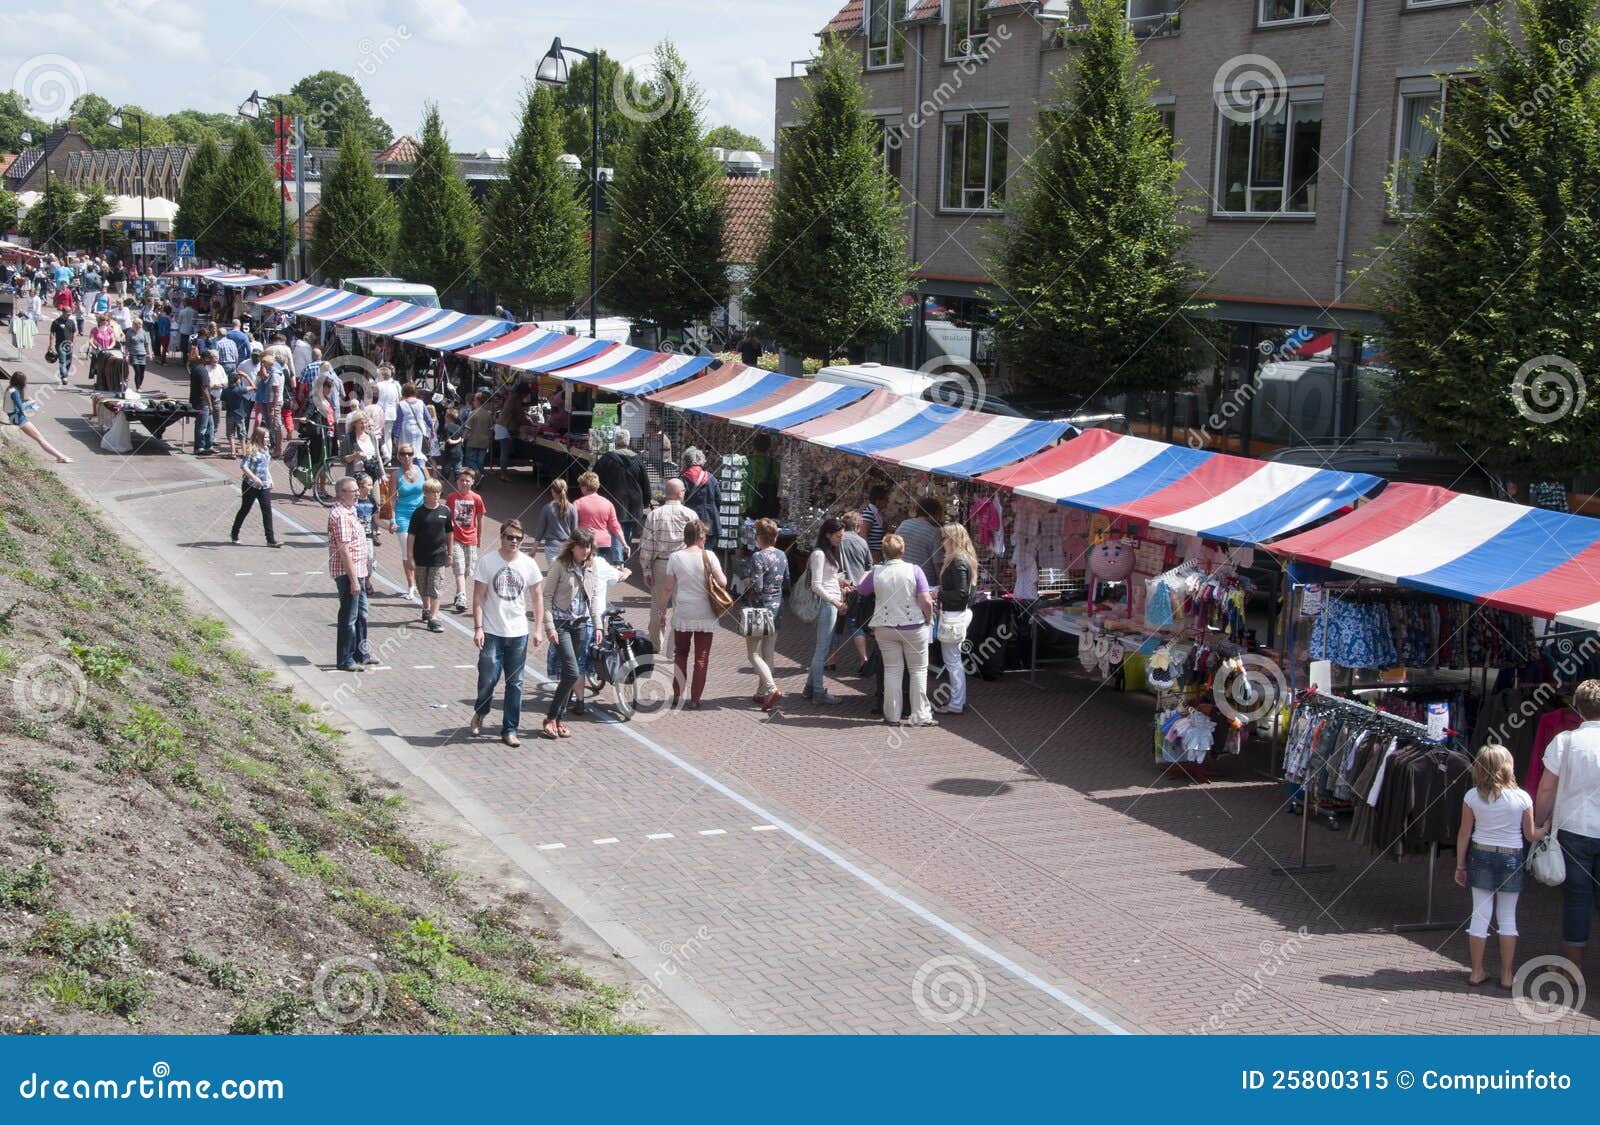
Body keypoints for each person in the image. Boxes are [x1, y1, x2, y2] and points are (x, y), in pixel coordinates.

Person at [1453, 744, 1543, 988]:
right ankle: (1506, 975)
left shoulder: (1472, 797)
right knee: (1507, 918)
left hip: (1480, 853)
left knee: (1479, 915)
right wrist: (1546, 829)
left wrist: (1460, 865)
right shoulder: (1523, 798)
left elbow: (1464, 833)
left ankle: (1476, 972)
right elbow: (1531, 835)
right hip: (1511, 857)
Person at [1534, 678, 1600, 982]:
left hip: (1573, 829)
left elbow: (1547, 788)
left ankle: (1573, 969)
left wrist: (1538, 822)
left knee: (1576, 898)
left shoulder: (1566, 741)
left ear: (1577, 707)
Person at [471, 518, 545, 747]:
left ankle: (510, 729)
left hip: (518, 633)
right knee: (488, 678)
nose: (514, 541)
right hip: (492, 631)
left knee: (516, 683)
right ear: (501, 537)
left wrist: (538, 629)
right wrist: (478, 627)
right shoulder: (487, 562)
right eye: (509, 537)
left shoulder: (528, 564)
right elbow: (478, 597)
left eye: (518, 538)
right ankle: (481, 711)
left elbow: (537, 597)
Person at [541, 528, 614, 736]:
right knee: (572, 671)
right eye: (582, 546)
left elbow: (592, 599)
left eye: (589, 547)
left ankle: (559, 719)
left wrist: (598, 625)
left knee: (569, 673)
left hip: (581, 625)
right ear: (572, 547)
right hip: (562, 624)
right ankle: (551, 717)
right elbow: (547, 597)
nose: (586, 550)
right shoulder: (560, 565)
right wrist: (549, 626)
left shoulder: (591, 567)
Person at [857, 533, 936, 726]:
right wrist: (928, 618)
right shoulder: (915, 570)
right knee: (918, 670)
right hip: (913, 625)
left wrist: (865, 573)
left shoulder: (877, 572)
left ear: (884, 552)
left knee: (892, 671)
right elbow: (926, 600)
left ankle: (892, 715)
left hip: (885, 625)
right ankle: (921, 715)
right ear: (903, 550)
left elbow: (861, 589)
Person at [662, 519, 726, 709]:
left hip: (683, 611)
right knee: (701, 656)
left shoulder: (675, 558)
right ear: (700, 537)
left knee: (680, 654)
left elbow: (668, 588)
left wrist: (661, 611)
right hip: (705, 612)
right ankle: (696, 699)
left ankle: (677, 694)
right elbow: (722, 582)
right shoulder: (710, 556)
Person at [640, 477, 696, 654]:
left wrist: (646, 569)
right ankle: (674, 650)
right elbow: (696, 543)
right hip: (684, 565)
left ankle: (656, 645)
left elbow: (647, 544)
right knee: (681, 608)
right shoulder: (690, 515)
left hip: (661, 565)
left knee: (658, 606)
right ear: (680, 493)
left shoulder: (654, 515)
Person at [739, 517, 789, 711]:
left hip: (760, 607)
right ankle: (762, 693)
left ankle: (771, 688)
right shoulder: (782, 555)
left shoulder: (758, 557)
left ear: (759, 537)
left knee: (752, 654)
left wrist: (746, 581)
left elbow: (757, 586)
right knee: (768, 652)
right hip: (777, 606)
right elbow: (786, 580)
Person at [328, 477, 376, 673]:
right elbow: (344, 550)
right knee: (349, 617)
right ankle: (345, 659)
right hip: (349, 573)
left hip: (359, 571)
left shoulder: (351, 510)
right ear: (341, 494)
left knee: (362, 615)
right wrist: (354, 580)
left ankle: (360, 653)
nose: (357, 493)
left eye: (357, 490)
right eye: (352, 491)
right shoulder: (340, 515)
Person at [934, 523, 978, 715]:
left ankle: (957, 702)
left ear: (952, 540)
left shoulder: (957, 561)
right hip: (958, 613)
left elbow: (961, 594)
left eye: (944, 538)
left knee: (952, 661)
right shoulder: (964, 559)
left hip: (955, 614)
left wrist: (938, 594)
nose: (941, 542)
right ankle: (959, 700)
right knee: (954, 660)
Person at [804, 517, 849, 704]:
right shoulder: (819, 554)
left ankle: (810, 688)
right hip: (827, 605)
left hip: (831, 603)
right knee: (822, 650)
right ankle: (818, 691)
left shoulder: (828, 552)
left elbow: (827, 579)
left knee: (823, 648)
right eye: (838, 536)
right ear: (828, 535)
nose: (841, 540)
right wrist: (835, 601)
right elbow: (816, 585)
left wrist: (842, 582)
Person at [594, 429, 653, 548]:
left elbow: (595, 478)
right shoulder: (637, 460)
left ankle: (618, 556)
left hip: (612, 499)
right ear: (628, 442)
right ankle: (624, 551)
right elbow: (645, 482)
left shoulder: (606, 459)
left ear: (615, 442)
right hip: (633, 501)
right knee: (627, 528)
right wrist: (646, 500)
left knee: (615, 526)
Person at [409, 479, 453, 633]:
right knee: (422, 586)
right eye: (431, 492)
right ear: (425, 494)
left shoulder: (445, 511)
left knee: (435, 586)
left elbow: (449, 533)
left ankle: (434, 618)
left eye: (437, 492)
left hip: (438, 556)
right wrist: (410, 556)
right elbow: (411, 535)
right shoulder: (419, 513)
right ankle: (426, 608)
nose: (435, 495)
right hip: (420, 555)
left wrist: (450, 553)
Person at [230, 426, 281, 548]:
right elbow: (244, 466)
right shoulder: (251, 449)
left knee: (267, 511)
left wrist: (270, 478)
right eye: (266, 437)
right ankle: (234, 533)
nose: (268, 440)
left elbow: (265, 466)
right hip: (250, 485)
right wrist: (254, 478)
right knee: (245, 509)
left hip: (263, 486)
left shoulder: (266, 449)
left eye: (268, 437)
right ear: (258, 437)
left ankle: (270, 539)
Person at [388, 444, 427, 601]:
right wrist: (392, 519)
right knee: (407, 551)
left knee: (421, 549)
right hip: (403, 515)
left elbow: (433, 490)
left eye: (410, 453)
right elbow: (391, 499)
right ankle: (411, 585)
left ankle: (421, 581)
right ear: (398, 456)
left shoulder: (422, 470)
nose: (406, 457)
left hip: (421, 514)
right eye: (403, 454)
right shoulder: (395, 475)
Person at [444, 469, 486, 614]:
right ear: (457, 482)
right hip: (455, 538)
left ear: (472, 482)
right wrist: (446, 538)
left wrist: (479, 538)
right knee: (459, 567)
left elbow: (480, 520)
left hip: (471, 539)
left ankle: (458, 593)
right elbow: (447, 519)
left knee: (467, 569)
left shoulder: (476, 498)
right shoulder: (451, 498)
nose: (464, 483)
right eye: (462, 480)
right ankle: (462, 596)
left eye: (467, 480)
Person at [5, 373, 71, 464]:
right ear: (21, 382)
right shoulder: (15, 392)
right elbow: (20, 407)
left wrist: (27, 399)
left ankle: (60, 456)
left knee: (39, 438)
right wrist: (30, 403)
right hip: (19, 419)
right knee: (40, 439)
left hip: (14, 417)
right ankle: (61, 457)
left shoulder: (10, 389)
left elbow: (16, 401)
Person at [840, 510, 874, 673]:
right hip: (857, 588)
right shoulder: (862, 542)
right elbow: (869, 567)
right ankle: (863, 660)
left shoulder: (838, 540)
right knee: (855, 623)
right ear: (858, 526)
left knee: (836, 625)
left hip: (839, 588)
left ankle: (831, 659)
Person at [574, 470, 627, 565]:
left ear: (585, 487)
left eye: (581, 485)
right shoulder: (608, 503)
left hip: (585, 544)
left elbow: (572, 526)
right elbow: (615, 527)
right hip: (604, 544)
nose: (580, 488)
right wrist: (624, 543)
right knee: (599, 571)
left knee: (586, 572)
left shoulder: (578, 503)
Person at [896, 495, 945, 581]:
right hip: (924, 582)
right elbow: (938, 564)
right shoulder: (935, 532)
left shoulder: (904, 524)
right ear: (936, 514)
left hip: (901, 577)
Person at [680, 447, 721, 546]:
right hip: (710, 523)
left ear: (685, 461)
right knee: (706, 555)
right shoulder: (711, 478)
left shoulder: (682, 479)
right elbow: (718, 500)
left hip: (690, 525)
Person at [532, 477, 579, 563]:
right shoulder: (572, 508)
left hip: (551, 546)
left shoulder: (547, 508)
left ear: (553, 491)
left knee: (553, 573)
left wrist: (534, 549)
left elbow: (540, 531)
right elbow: (575, 531)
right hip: (567, 547)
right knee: (565, 573)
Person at [391, 382, 435, 470]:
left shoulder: (401, 404)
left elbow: (398, 422)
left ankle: (406, 470)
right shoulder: (421, 403)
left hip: (406, 430)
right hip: (419, 430)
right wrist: (432, 428)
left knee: (405, 452)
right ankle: (420, 469)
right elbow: (428, 418)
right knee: (418, 452)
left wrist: (395, 435)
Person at [353, 475, 378, 596]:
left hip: (368, 536)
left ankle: (367, 580)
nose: (371, 487)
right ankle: (358, 582)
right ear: (361, 486)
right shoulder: (354, 501)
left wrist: (390, 526)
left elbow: (377, 520)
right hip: (355, 537)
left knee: (370, 560)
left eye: (371, 484)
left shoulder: (372, 501)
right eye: (369, 485)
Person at [188, 347, 216, 455]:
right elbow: (204, 389)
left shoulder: (197, 368)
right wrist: (209, 404)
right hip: (202, 402)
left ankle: (208, 445)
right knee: (202, 425)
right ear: (205, 359)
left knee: (210, 425)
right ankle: (199, 447)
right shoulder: (202, 370)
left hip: (200, 401)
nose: (212, 360)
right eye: (210, 358)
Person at [342, 412, 383, 481]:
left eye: (365, 422)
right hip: (356, 475)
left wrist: (382, 474)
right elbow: (342, 459)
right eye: (361, 423)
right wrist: (354, 456)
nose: (364, 425)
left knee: (376, 492)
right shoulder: (348, 438)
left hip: (372, 473)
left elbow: (378, 456)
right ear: (354, 424)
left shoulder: (371, 435)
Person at [463, 390, 495, 473]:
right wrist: (490, 440)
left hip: (473, 441)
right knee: (480, 462)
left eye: (474, 400)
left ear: (477, 401)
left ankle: (477, 474)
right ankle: (480, 476)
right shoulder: (488, 414)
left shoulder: (472, 413)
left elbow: (467, 428)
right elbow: (491, 429)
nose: (473, 402)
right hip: (484, 442)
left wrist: (463, 438)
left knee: (469, 459)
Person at [221, 369, 250, 457]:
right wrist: (246, 376)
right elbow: (253, 387)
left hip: (230, 414)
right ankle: (244, 452)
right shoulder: (240, 389)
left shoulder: (225, 390)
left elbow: (224, 404)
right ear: (237, 380)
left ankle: (233, 452)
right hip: (240, 414)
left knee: (230, 433)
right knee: (242, 433)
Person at [375, 364, 400, 460]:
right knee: (388, 436)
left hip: (380, 412)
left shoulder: (378, 385)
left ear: (382, 375)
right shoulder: (394, 386)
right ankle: (388, 456)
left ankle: (382, 455)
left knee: (378, 435)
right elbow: (397, 401)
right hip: (391, 413)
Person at [438, 404, 465, 484]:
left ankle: (440, 490)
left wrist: (458, 440)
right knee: (458, 473)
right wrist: (460, 440)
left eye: (446, 416)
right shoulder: (459, 427)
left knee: (445, 474)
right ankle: (461, 491)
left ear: (449, 417)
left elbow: (448, 441)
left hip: (448, 454)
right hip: (458, 453)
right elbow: (463, 439)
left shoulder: (446, 427)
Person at [49, 307, 75, 386]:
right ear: (63, 313)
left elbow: (74, 332)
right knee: (62, 360)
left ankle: (65, 373)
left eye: (70, 313)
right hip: (60, 344)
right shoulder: (56, 322)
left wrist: (73, 342)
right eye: (67, 314)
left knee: (69, 360)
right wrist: (51, 344)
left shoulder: (71, 322)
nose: (69, 315)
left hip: (69, 344)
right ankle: (64, 376)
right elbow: (52, 333)